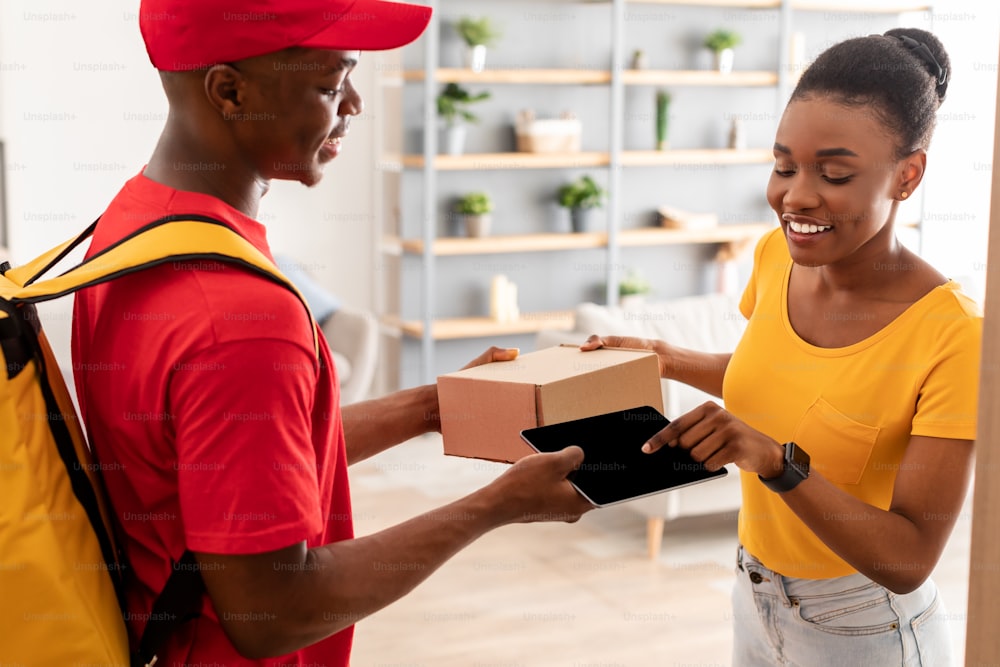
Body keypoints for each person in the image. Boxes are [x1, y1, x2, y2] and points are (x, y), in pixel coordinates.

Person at [70, 0, 592, 663]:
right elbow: (274, 612)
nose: (353, 104)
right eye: (330, 81)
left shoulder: (132, 226)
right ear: (230, 90)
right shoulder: (239, 320)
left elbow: (235, 465)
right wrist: (497, 505)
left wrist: (432, 406)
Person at [584, 28, 980, 666]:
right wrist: (665, 356)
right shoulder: (776, 259)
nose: (795, 196)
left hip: (866, 624)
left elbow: (909, 559)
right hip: (754, 591)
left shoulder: (954, 334)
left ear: (907, 176)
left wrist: (777, 463)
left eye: (835, 173)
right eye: (784, 166)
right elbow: (770, 378)